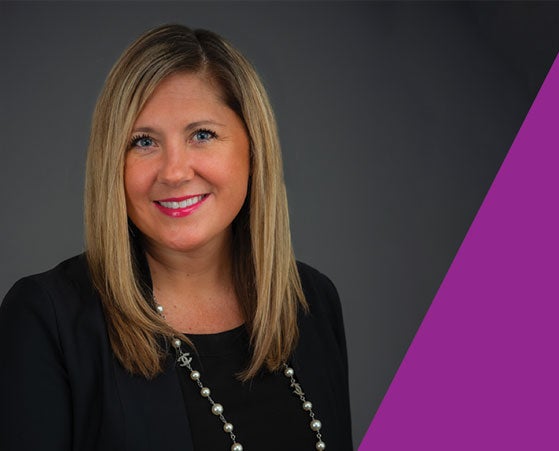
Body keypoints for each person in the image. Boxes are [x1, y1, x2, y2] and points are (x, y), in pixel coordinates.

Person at [0, 24, 352, 451]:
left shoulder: (311, 300)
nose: (174, 171)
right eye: (143, 141)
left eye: (202, 135)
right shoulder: (46, 318)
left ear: (253, 148)